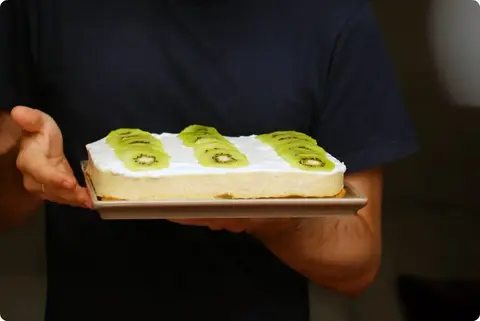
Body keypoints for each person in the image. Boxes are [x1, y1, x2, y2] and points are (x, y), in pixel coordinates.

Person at [0, 0, 419, 320]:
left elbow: (357, 265)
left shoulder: (334, 14)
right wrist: (24, 171)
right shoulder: (39, 8)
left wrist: (270, 216)